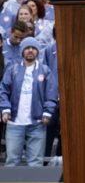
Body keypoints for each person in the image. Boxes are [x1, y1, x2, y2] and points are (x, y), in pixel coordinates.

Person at [0, 38, 58, 166]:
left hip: (37, 124)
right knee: (11, 161)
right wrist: (5, 109)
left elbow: (51, 94)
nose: (30, 50)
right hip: (14, 122)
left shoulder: (45, 70)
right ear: (22, 51)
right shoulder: (13, 69)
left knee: (36, 163)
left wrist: (47, 113)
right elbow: (3, 90)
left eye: (33, 48)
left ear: (37, 51)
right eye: (27, 48)